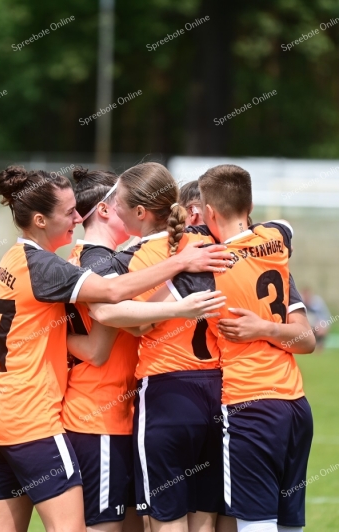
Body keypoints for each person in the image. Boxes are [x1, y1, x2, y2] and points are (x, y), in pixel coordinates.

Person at [0, 166, 230, 532]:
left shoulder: (16, 262)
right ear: (39, 219)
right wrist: (180, 273)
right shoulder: (65, 265)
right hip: (54, 420)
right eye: (68, 213)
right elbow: (109, 305)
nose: (77, 218)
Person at [64, 167, 224, 532]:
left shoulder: (128, 261)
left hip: (164, 395)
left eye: (119, 202)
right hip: (217, 390)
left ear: (139, 213)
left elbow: (116, 314)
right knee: (205, 519)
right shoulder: (204, 242)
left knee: (165, 522)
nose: (115, 209)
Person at [170, 164, 315, 532]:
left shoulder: (208, 265)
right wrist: (269, 327)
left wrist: (259, 328)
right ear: (250, 206)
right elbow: (284, 227)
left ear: (209, 213)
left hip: (250, 407)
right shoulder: (277, 241)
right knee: (290, 525)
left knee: (256, 524)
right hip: (295, 406)